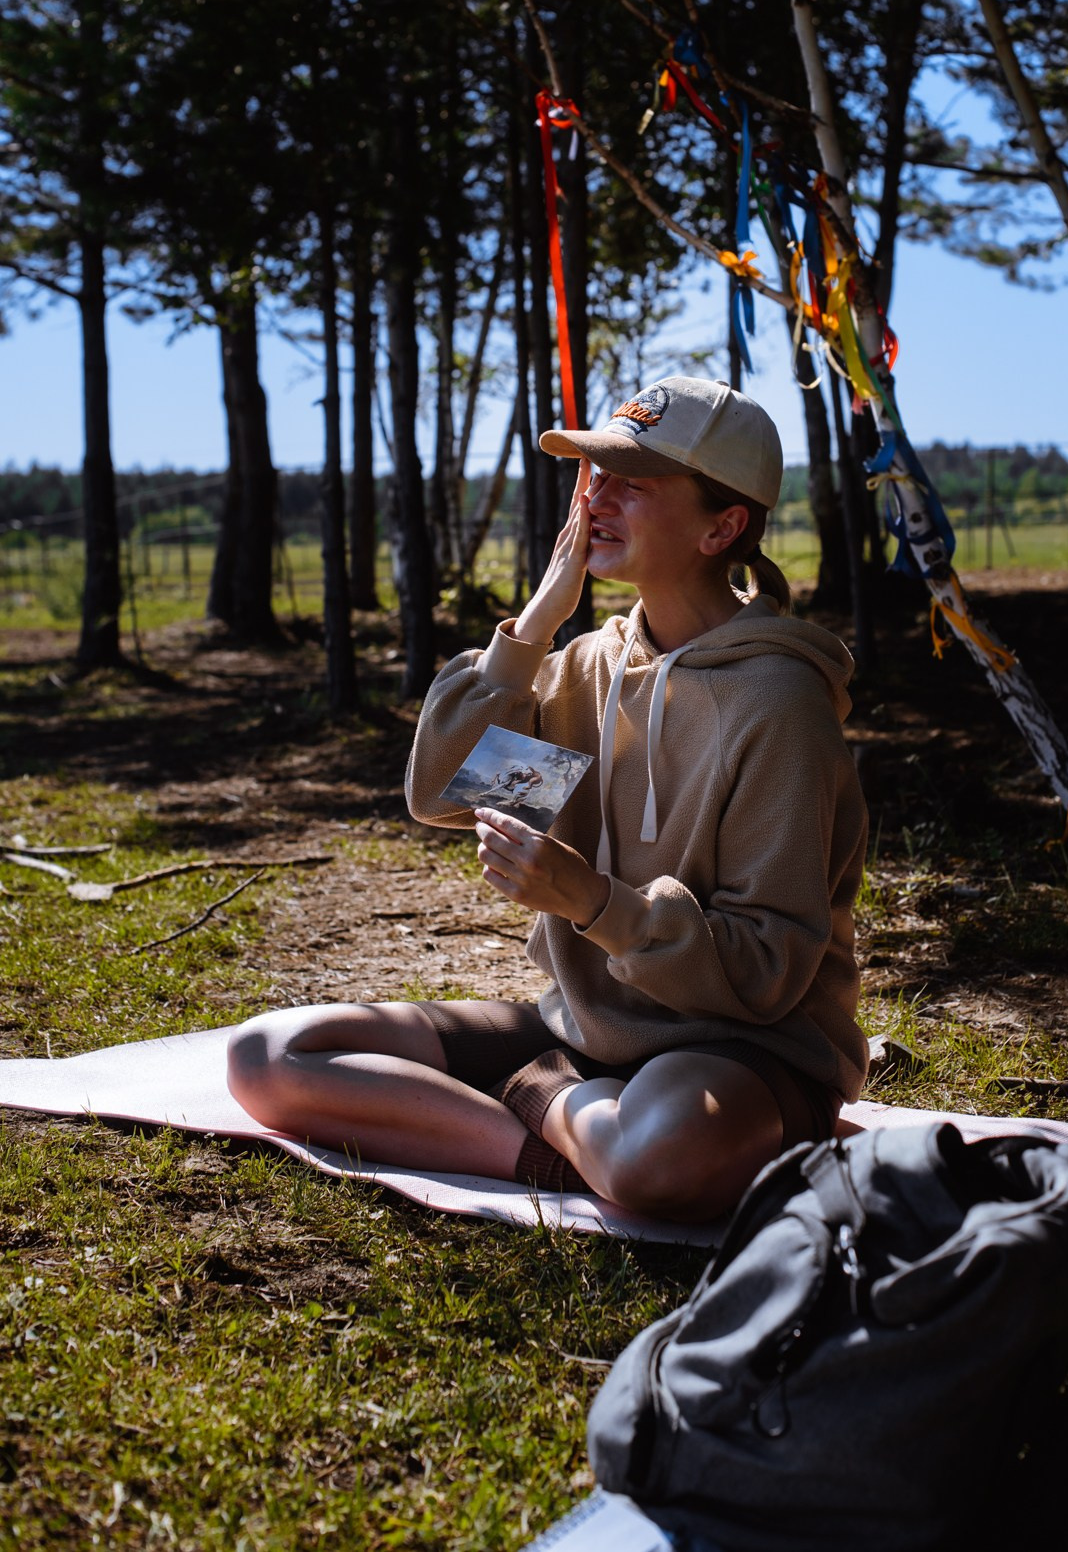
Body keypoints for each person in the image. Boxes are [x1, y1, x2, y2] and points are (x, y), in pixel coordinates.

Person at [226, 376, 868, 1222]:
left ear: (723, 526)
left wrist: (595, 903)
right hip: (582, 1036)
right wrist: (533, 625)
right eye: (594, 474)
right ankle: (556, 1137)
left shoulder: (778, 705)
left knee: (660, 1152)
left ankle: (547, 1109)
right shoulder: (590, 671)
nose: (597, 499)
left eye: (632, 482)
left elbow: (763, 975)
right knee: (271, 1056)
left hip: (740, 1051)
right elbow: (440, 794)